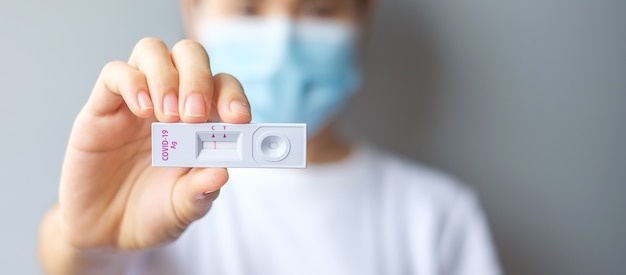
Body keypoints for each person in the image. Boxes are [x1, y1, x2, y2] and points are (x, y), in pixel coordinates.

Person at [39, 0, 502, 274]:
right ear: (193, 10)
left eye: (319, 8)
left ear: (364, 18)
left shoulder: (439, 216)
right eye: (248, 6)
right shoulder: (154, 186)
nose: (282, 40)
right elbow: (70, 261)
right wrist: (85, 238)